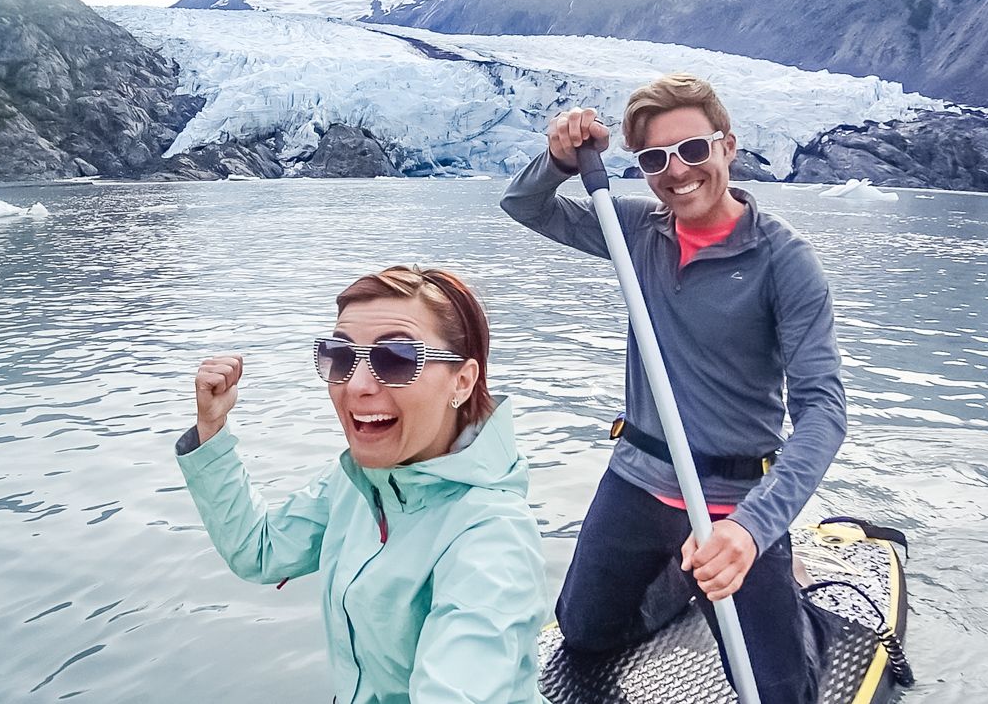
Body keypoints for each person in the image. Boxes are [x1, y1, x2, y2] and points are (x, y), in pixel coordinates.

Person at [500, 74, 846, 703]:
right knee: (583, 636)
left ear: (728, 146)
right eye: (655, 159)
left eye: (692, 149)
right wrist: (557, 159)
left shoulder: (783, 259)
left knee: (778, 692)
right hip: (637, 481)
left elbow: (823, 411)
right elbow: (526, 205)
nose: (677, 171)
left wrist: (752, 528)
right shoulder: (635, 230)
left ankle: (797, 610)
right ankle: (678, 580)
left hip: (732, 502)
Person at [174, 265, 549, 703]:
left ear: (462, 382)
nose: (356, 385)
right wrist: (212, 429)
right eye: (340, 356)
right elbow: (261, 552)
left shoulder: (492, 539)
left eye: (398, 360)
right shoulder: (359, 483)